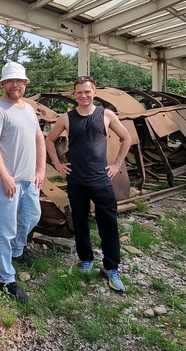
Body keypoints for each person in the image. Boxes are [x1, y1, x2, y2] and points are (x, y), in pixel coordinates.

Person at [45, 76, 132, 293]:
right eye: (79, 92)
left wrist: (116, 164)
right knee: (80, 222)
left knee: (108, 224)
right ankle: (86, 259)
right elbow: (49, 140)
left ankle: (111, 268)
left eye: (87, 91)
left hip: (101, 179)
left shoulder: (106, 115)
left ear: (94, 92)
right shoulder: (66, 118)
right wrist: (57, 164)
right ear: (74, 95)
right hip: (76, 179)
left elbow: (126, 138)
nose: (83, 95)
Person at [0, 61, 45, 303]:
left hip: (28, 179)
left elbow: (39, 137)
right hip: (5, 180)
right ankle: (4, 278)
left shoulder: (28, 109)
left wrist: (40, 169)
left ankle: (16, 252)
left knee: (31, 216)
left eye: (19, 81)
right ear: (3, 84)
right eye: (10, 81)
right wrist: (6, 177)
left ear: (26, 84)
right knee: (4, 229)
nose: (15, 85)